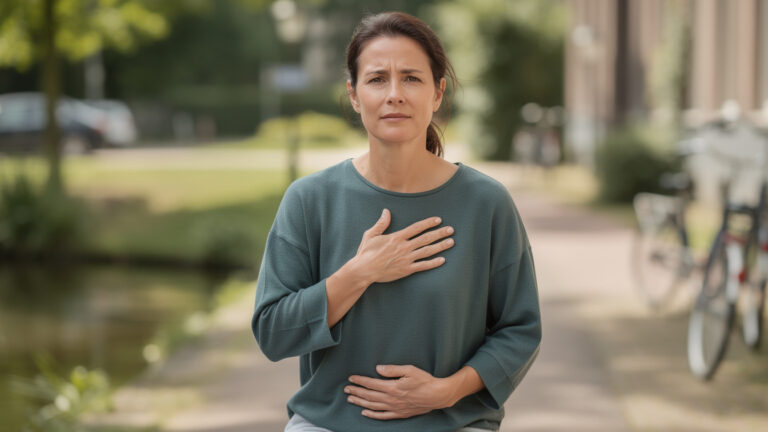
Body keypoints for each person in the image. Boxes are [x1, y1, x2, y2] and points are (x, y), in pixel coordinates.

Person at [252, 11, 541, 432]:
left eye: (411, 78)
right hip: (330, 423)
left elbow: (520, 329)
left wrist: (446, 391)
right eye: (376, 79)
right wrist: (359, 273)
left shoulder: (486, 203)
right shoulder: (309, 200)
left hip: (454, 423)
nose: (394, 94)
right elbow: (273, 333)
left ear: (437, 93)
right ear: (353, 95)